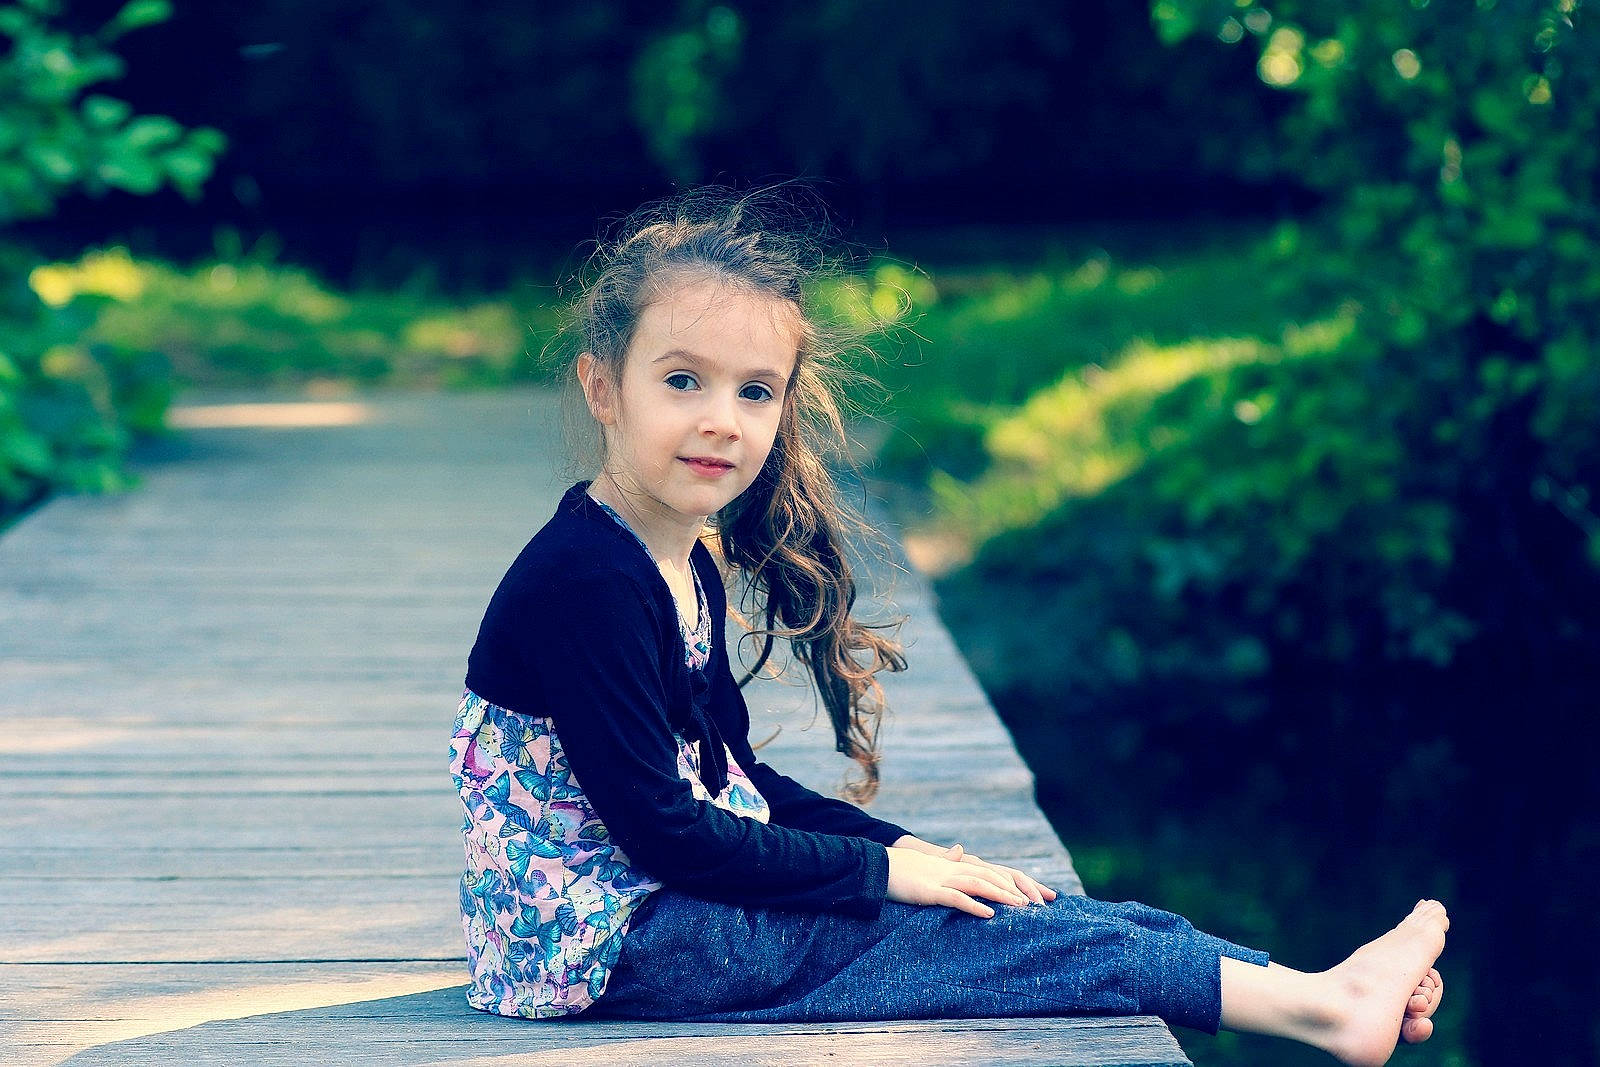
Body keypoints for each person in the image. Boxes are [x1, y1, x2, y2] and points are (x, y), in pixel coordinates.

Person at [448, 183, 1447, 1066]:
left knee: (1038, 910)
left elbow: (737, 781)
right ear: (600, 387)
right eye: (682, 380)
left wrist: (911, 848)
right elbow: (666, 832)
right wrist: (881, 873)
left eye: (754, 391)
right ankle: (1326, 1008)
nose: (721, 418)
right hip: (614, 942)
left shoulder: (678, 554)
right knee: (1030, 941)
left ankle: (1321, 992)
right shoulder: (589, 577)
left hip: (657, 910)